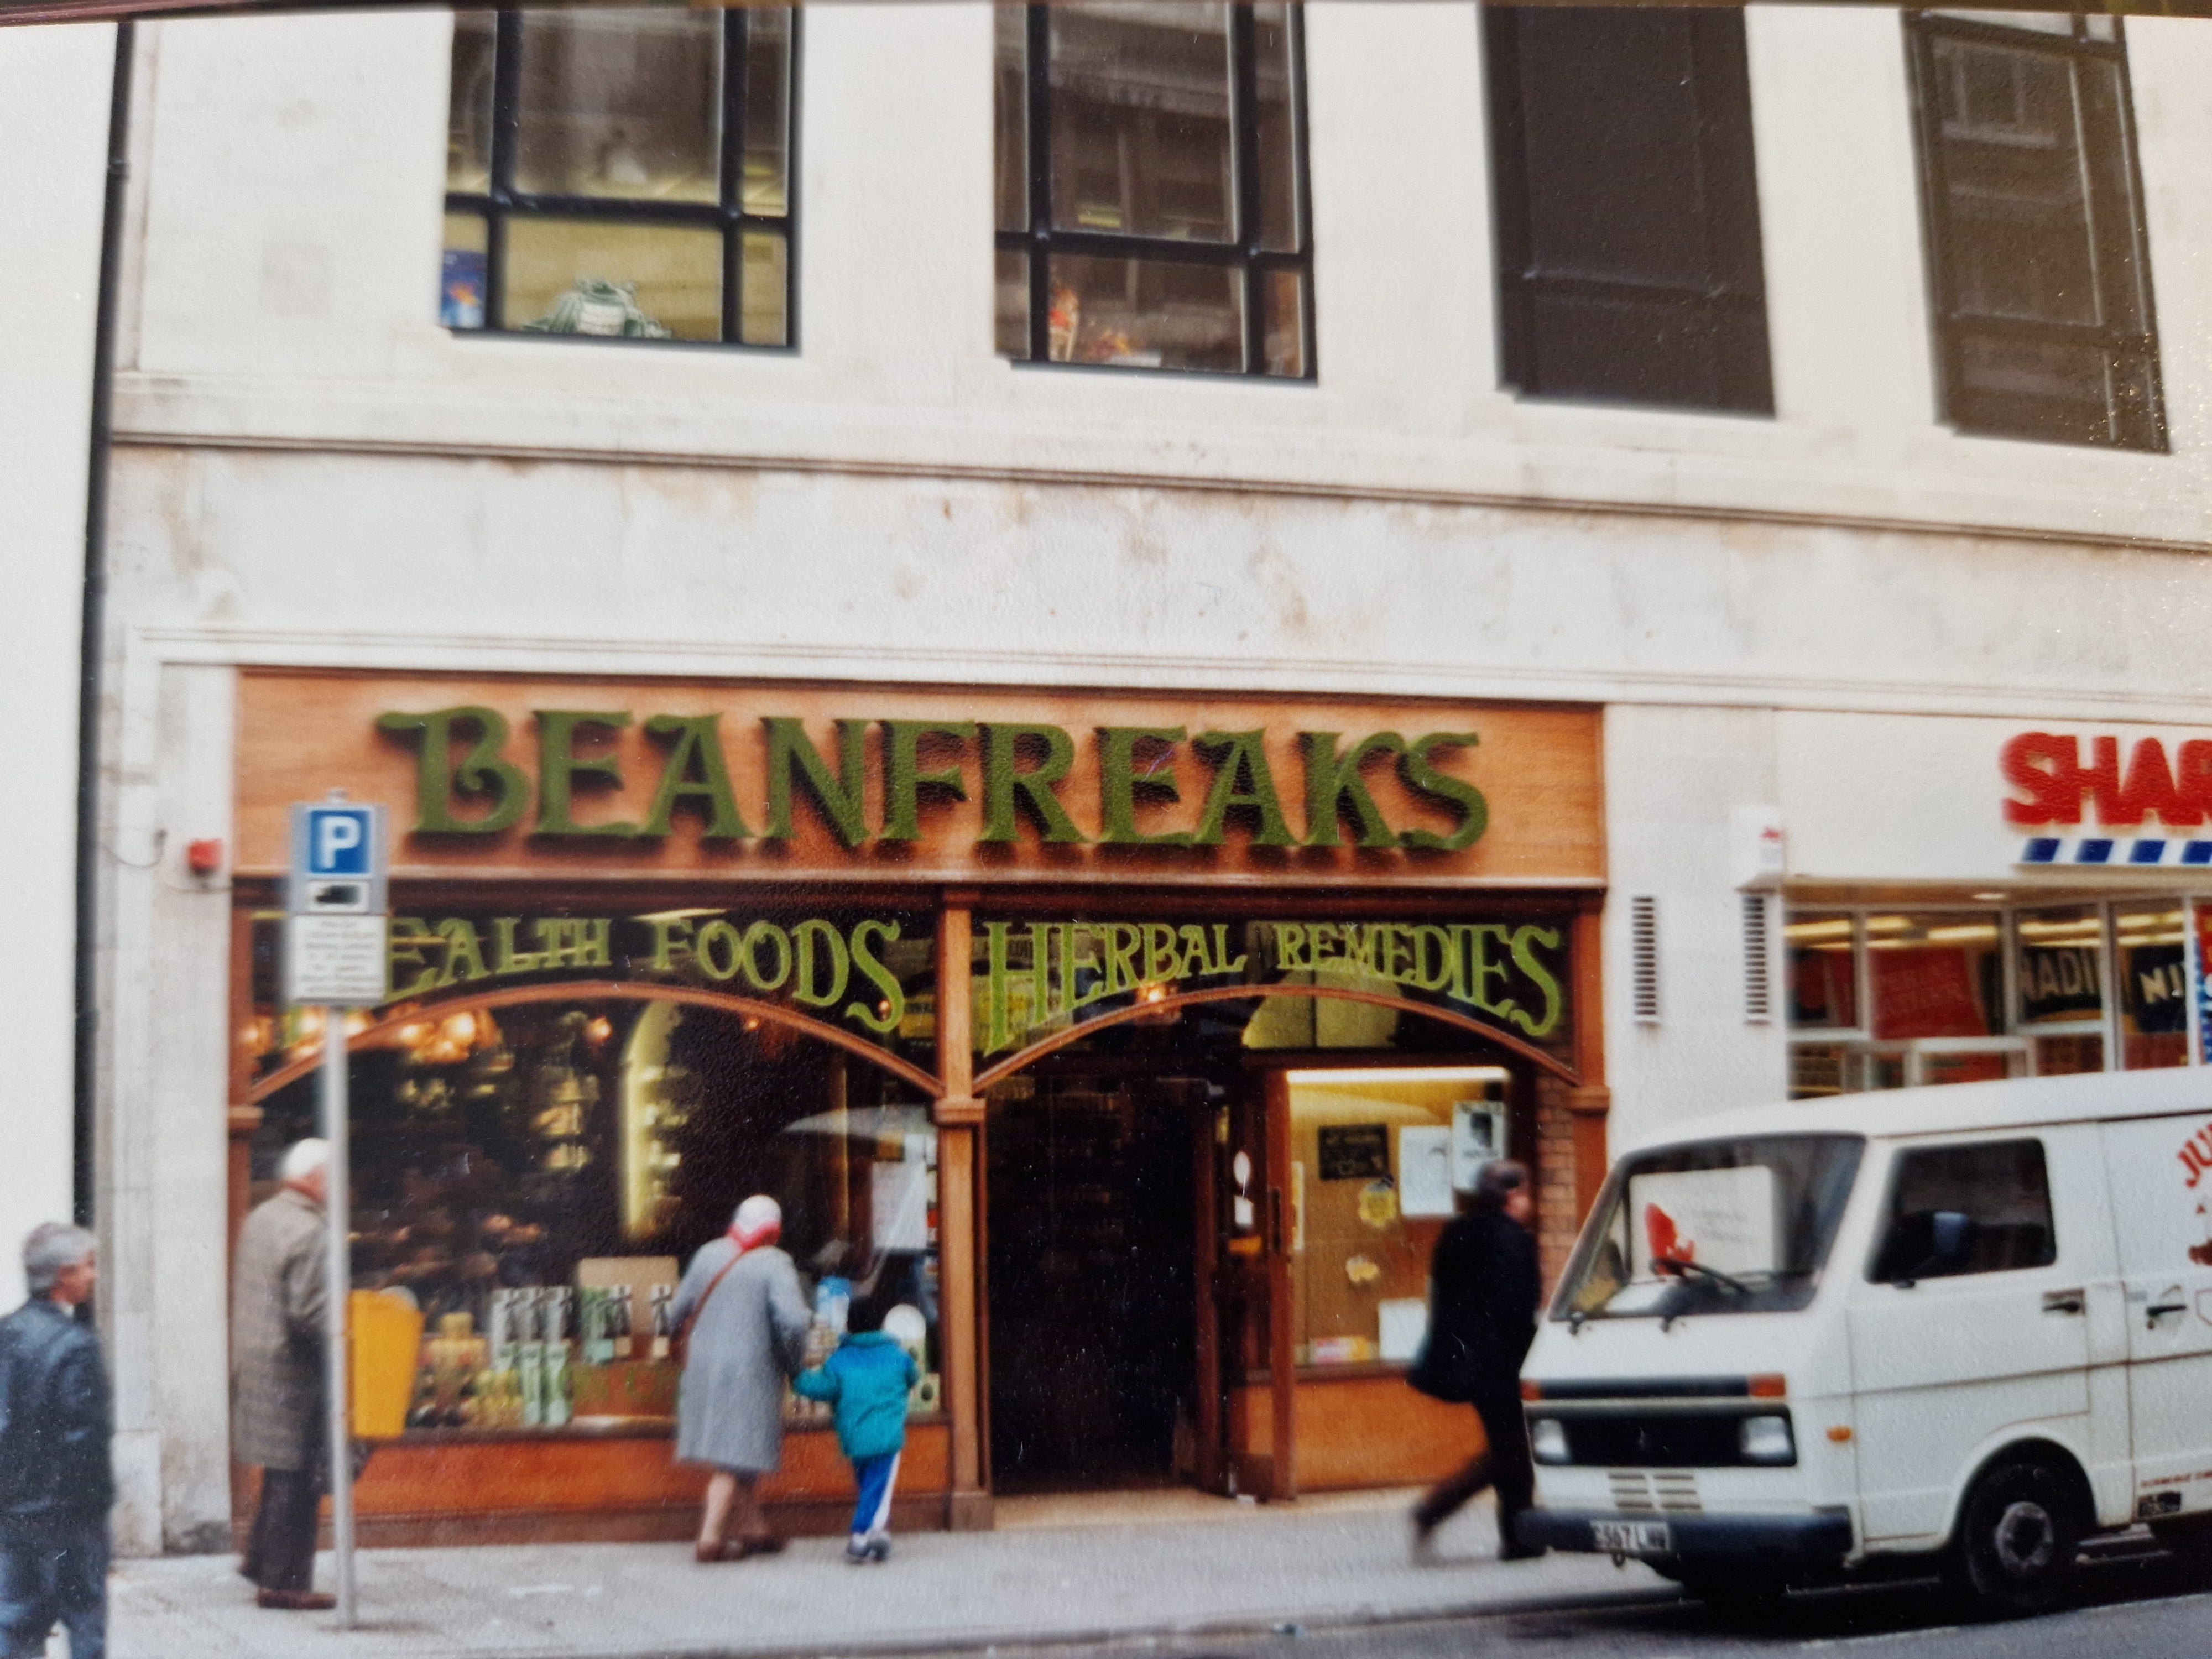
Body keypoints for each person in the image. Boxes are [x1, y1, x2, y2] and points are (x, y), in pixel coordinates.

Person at [1407, 1159, 1544, 1563]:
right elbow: (1516, 1306)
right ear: (1512, 1196)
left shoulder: (1457, 1230)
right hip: (1499, 1361)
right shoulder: (1512, 1238)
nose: (1530, 1201)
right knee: (1510, 1451)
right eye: (1526, 1192)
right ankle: (1434, 1509)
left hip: (1462, 1358)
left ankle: (1519, 1539)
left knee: (1512, 1448)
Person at [672, 1195, 811, 1562]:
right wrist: (794, 1361)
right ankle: (710, 1538)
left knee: (741, 1447)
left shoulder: (707, 1254)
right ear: (774, 1231)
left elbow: (677, 1309)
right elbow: (795, 1321)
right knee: (732, 1457)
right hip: (751, 1370)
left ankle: (754, 1529)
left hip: (704, 1370)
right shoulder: (774, 1263)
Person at [231, 1138, 336, 1611]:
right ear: (318, 1178)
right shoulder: (311, 1230)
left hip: (259, 1360)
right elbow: (309, 1311)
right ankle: (284, 1583)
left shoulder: (263, 1216)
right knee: (299, 1474)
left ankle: (261, 1562)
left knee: (281, 1468)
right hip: (293, 1367)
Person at [0, 1223, 111, 1659]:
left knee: (17, 1622)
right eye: (88, 1266)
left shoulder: (6, 1335)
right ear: (63, 1275)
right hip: (68, 1517)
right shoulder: (75, 1345)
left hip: (14, 1512)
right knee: (84, 1620)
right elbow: (86, 1440)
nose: (93, 1275)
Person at [793, 1293, 919, 1564]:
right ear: (884, 1324)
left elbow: (822, 1388)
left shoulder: (840, 1360)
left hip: (854, 1438)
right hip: (887, 1436)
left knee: (868, 1485)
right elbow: (914, 1377)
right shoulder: (898, 1356)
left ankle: (878, 1532)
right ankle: (860, 1536)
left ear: (849, 1325)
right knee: (878, 1488)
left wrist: (796, 1376)